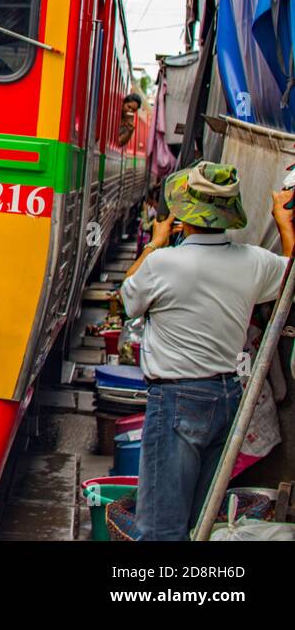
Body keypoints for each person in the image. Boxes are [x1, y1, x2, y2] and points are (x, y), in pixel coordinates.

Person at [121, 161, 295, 540]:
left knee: (161, 527)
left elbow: (127, 300)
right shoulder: (254, 262)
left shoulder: (163, 264)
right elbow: (290, 275)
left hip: (175, 398)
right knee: (196, 523)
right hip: (227, 397)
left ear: (184, 214)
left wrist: (155, 241)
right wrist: (282, 223)